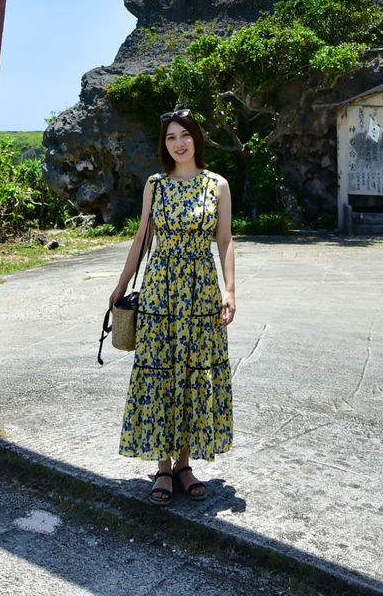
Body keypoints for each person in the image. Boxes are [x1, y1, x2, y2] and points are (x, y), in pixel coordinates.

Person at [109, 108, 235, 504]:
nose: (178, 143)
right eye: (170, 137)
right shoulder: (155, 185)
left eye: (184, 135)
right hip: (160, 290)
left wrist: (230, 291)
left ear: (196, 138)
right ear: (164, 145)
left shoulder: (217, 185)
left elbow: (226, 241)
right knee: (161, 372)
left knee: (192, 373)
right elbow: (141, 239)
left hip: (201, 291)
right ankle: (163, 468)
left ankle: (184, 465)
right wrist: (122, 284)